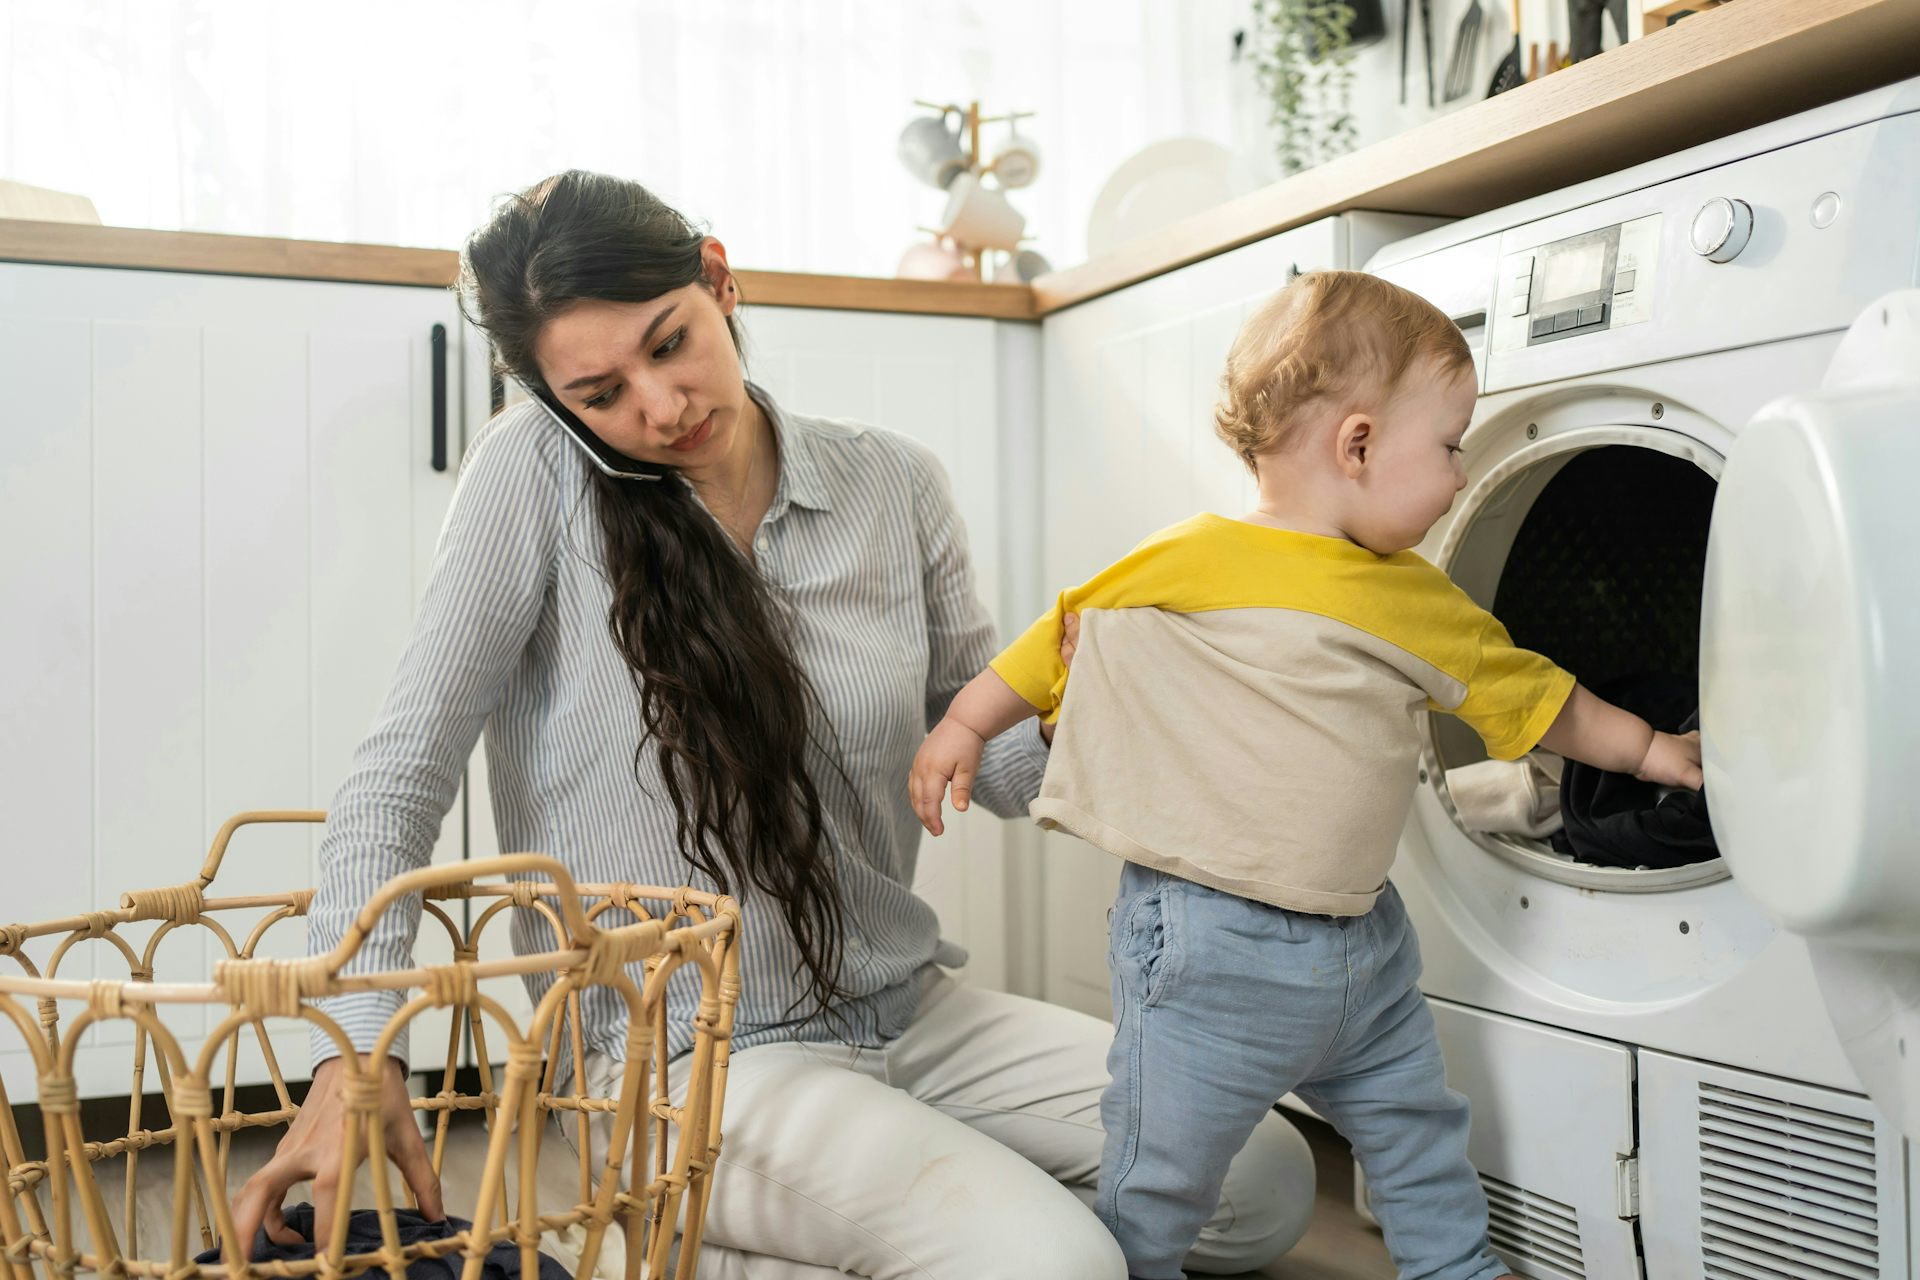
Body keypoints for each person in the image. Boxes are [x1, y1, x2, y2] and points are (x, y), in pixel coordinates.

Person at [227, 170, 1315, 1280]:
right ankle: (684, 1238)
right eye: (600, 393)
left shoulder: (893, 484)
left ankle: (840, 1231)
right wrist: (353, 1057)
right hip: (678, 1059)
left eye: (670, 344)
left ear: (718, 278)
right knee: (1058, 1264)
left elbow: (982, 760)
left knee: (1262, 1179)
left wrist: (1106, 709)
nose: (658, 406)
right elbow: (398, 775)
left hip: (907, 1006)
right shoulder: (534, 475)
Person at [909, 269, 1704, 1280]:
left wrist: (1646, 749)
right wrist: (965, 724)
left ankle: (1457, 1267)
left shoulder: (1417, 599)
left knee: (1421, 1141)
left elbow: (1542, 697)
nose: (1461, 476)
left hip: (1364, 954)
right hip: (1204, 955)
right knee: (1161, 1175)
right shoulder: (1188, 554)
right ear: (1359, 443)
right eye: (1452, 444)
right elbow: (1057, 644)